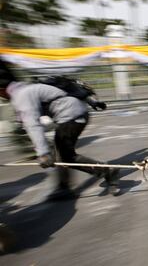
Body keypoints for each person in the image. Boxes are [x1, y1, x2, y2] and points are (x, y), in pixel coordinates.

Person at [0, 59, 119, 200]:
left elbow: (32, 125)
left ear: (1, 90)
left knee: (66, 157)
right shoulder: (25, 88)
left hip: (71, 117)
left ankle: (106, 171)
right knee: (62, 155)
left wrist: (43, 153)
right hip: (75, 114)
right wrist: (92, 102)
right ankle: (64, 187)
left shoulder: (21, 96)